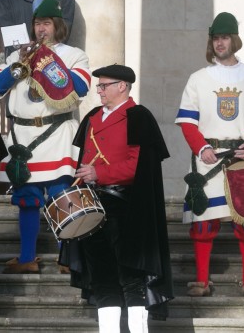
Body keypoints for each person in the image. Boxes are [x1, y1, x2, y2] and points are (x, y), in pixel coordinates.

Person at [61, 65, 173, 333]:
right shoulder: (92, 117)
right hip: (93, 205)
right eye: (98, 86)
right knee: (101, 276)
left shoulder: (138, 117)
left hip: (127, 206)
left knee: (131, 276)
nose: (99, 90)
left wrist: (100, 172)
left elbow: (139, 166)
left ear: (122, 86)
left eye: (104, 85)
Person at [176, 12, 244, 297]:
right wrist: (202, 147)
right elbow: (187, 122)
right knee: (204, 221)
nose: (220, 43)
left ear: (234, 39)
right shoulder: (198, 79)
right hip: (207, 156)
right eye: (216, 38)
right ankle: (201, 280)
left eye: (224, 37)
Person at [0, 0, 90, 273]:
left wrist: (47, 61)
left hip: (56, 132)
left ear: (57, 26)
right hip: (22, 134)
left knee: (61, 195)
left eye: (46, 24)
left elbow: (80, 88)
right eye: (37, 24)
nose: (40, 29)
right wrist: (18, 64)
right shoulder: (18, 55)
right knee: (27, 197)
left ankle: (67, 258)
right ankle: (27, 258)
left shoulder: (73, 55)